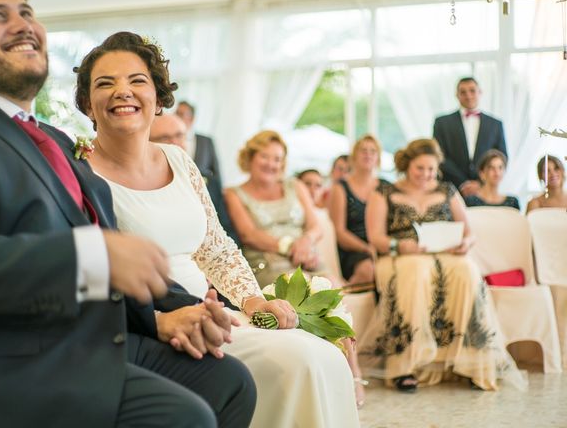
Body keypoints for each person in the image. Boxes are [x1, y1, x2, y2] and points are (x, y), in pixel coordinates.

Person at [0, 0, 257, 428]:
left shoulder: (54, 142)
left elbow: (117, 254)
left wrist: (183, 310)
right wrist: (92, 255)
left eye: (27, 12)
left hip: (98, 335)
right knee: (185, 416)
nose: (23, 24)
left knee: (230, 381)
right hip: (11, 356)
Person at [74, 32, 360, 428]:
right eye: (105, 83)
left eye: (137, 80)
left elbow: (216, 248)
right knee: (297, 365)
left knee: (323, 356)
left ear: (158, 96)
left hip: (214, 312)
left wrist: (253, 302)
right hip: (148, 325)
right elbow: (86, 272)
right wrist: (163, 318)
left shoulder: (179, 159)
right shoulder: (76, 172)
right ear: (88, 103)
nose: (122, 91)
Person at [360, 139, 525, 392]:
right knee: (416, 271)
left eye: (431, 169)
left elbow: (470, 233)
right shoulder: (384, 192)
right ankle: (404, 364)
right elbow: (375, 237)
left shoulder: (447, 191)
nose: (426, 175)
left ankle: (470, 362)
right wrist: (400, 246)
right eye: (420, 169)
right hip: (399, 256)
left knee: (466, 271)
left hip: (444, 254)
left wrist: (465, 244)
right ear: (407, 165)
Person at [225, 130, 324, 288]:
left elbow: (316, 226)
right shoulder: (233, 194)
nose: (271, 164)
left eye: (277, 159)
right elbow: (248, 235)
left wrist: (306, 242)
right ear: (250, 157)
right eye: (264, 156)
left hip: (307, 259)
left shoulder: (296, 186)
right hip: (268, 264)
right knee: (301, 291)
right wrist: (292, 247)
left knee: (334, 288)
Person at [150, 113, 239, 244]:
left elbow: (227, 231)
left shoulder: (210, 181)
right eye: (164, 138)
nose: (175, 144)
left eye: (179, 136)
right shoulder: (142, 184)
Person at [329, 134, 391, 286]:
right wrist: (366, 248)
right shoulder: (340, 187)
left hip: (382, 246)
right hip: (352, 249)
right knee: (367, 269)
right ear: (354, 156)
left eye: (373, 151)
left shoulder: (386, 187)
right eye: (363, 150)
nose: (368, 154)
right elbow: (339, 232)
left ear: (378, 158)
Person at [433, 77, 507, 198]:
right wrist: (463, 183)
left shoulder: (495, 124)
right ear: (457, 95)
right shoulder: (441, 123)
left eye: (472, 90)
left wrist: (480, 182)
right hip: (451, 189)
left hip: (485, 190)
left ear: (480, 92)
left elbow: (501, 156)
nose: (468, 95)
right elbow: (439, 156)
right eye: (463, 92)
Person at [176, 100, 221, 181]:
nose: (177, 118)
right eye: (176, 114)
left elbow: (216, 174)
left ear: (192, 118)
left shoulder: (206, 142)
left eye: (181, 114)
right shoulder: (168, 140)